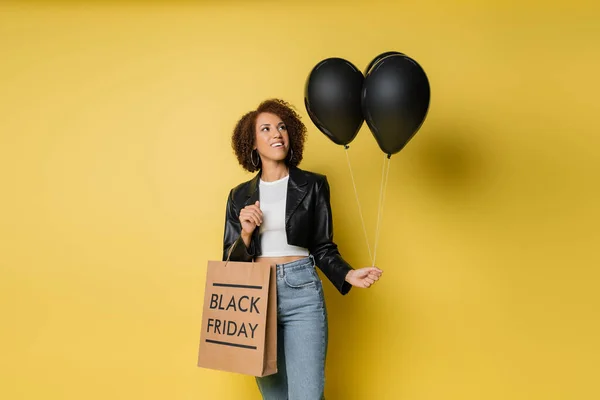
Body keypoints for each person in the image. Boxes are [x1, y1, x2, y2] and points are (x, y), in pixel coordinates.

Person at [223, 98, 383, 399]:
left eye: (282, 127)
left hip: (301, 290)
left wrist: (347, 275)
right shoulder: (239, 195)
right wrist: (245, 233)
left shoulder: (313, 185)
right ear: (253, 143)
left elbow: (322, 245)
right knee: (274, 396)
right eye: (266, 129)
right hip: (255, 297)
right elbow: (229, 263)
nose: (277, 134)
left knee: (306, 395)